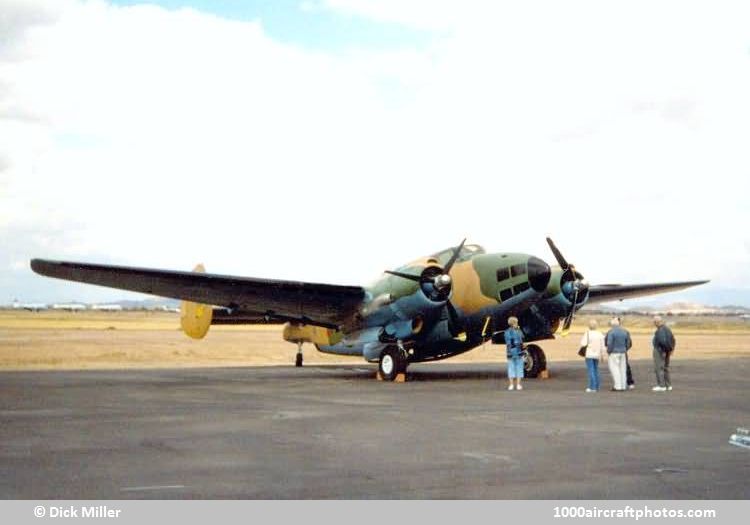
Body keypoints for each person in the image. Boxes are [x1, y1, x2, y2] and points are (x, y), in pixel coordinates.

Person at [605, 317, 632, 391]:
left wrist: (609, 351)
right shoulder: (625, 331)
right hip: (623, 352)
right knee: (623, 369)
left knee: (615, 369)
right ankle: (623, 385)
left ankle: (617, 386)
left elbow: (609, 343)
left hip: (614, 353)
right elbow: (629, 343)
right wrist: (625, 349)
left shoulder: (611, 332)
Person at [581, 319, 606, 392]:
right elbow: (603, 346)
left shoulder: (587, 334)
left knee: (591, 370)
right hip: (597, 355)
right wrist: (602, 355)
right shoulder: (600, 334)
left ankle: (592, 387)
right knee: (596, 370)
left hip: (589, 354)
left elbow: (583, 343)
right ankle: (596, 386)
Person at [652, 316, 676, 392]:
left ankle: (661, 386)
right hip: (667, 351)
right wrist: (671, 349)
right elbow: (673, 339)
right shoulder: (667, 329)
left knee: (659, 368)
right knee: (666, 368)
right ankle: (668, 385)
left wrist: (664, 350)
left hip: (660, 351)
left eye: (654, 322)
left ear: (657, 322)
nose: (654, 324)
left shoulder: (660, 330)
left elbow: (662, 341)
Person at [504, 316, 525, 391]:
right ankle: (518, 384)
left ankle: (511, 385)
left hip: (510, 352)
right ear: (514, 323)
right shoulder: (519, 331)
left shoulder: (506, 332)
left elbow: (507, 342)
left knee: (511, 368)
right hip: (519, 352)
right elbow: (522, 339)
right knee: (519, 368)